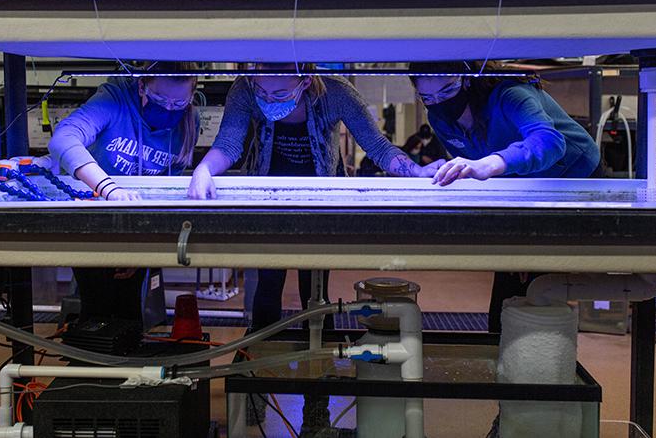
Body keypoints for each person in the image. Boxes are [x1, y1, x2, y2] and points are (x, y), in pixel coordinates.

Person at [189, 63, 436, 434]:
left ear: (305, 81)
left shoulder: (335, 93)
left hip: (320, 205)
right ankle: (256, 395)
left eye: (281, 94)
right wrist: (205, 170)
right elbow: (229, 142)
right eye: (264, 93)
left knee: (318, 306)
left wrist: (416, 172)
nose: (270, 101)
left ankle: (316, 409)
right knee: (266, 301)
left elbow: (378, 147)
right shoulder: (245, 89)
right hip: (268, 202)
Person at [409, 60, 600, 332]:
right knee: (510, 279)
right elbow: (474, 160)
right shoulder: (439, 117)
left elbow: (549, 142)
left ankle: (536, 354)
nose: (438, 102)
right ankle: (502, 343)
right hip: (517, 190)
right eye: (427, 97)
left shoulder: (510, 94)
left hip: (572, 178)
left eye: (447, 91)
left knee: (538, 282)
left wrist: (489, 163)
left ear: (466, 79)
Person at [48, 62, 199, 323]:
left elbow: (169, 183)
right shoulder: (114, 100)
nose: (168, 108)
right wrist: (108, 187)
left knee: (129, 309)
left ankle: (125, 354)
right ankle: (93, 355)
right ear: (142, 86)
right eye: (160, 98)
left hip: (139, 222)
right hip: (92, 218)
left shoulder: (188, 121)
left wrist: (145, 246)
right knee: (96, 306)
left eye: (179, 103)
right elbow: (63, 139)